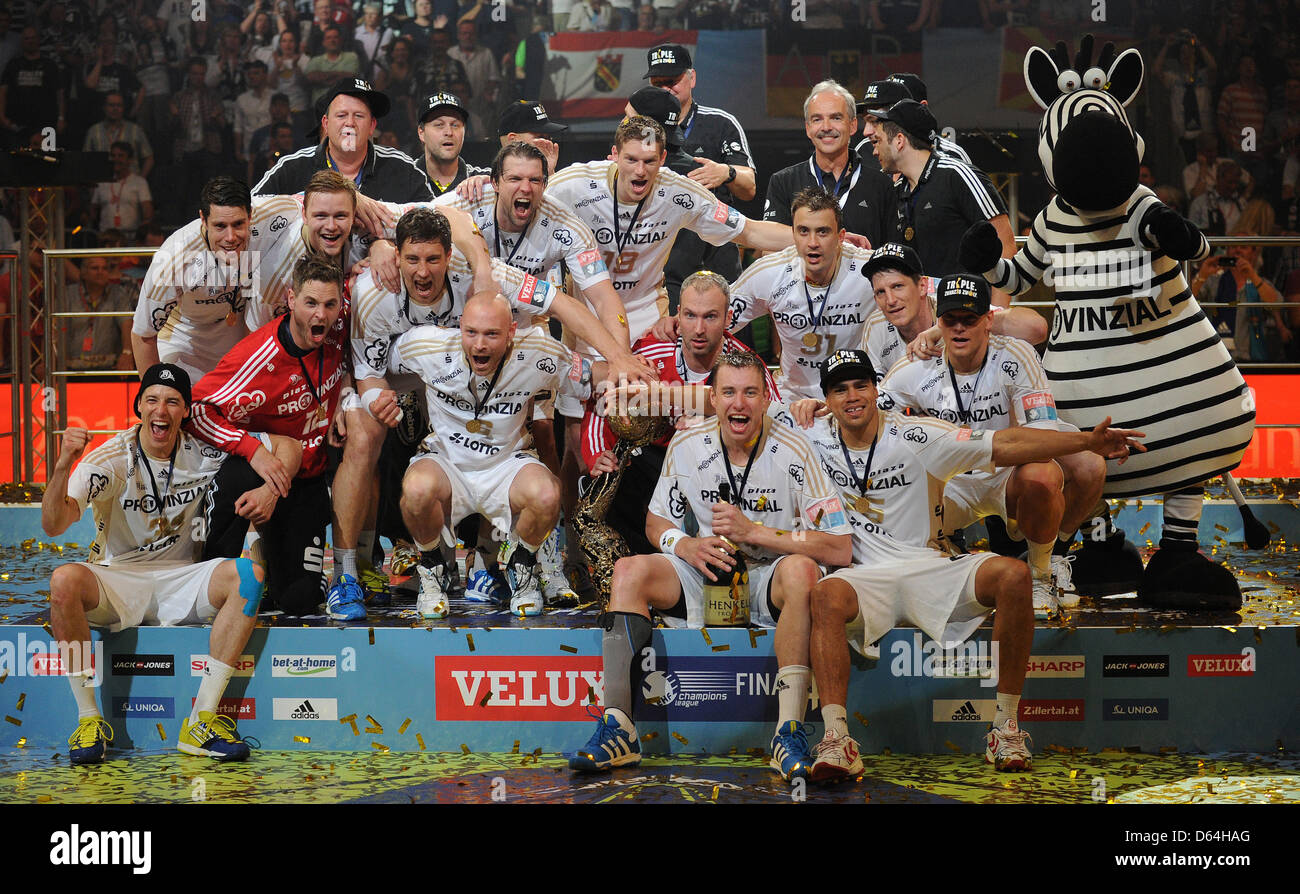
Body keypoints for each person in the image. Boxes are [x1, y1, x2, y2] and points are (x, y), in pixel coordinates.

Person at [789, 350, 1144, 780]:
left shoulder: (918, 435)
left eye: (860, 385)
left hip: (930, 565)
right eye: (839, 389)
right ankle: (837, 738)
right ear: (826, 397)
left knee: (1013, 576)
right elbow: (740, 405)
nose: (852, 396)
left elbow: (1008, 443)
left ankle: (1006, 726)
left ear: (875, 389)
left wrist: (1086, 442)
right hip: (864, 575)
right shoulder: (809, 438)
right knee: (825, 593)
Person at [569, 349, 853, 778]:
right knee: (630, 570)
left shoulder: (796, 448)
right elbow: (654, 521)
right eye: (729, 393)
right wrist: (684, 545)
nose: (739, 404)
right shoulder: (686, 444)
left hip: (768, 575)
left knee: (802, 570)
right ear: (713, 398)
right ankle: (619, 728)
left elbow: (839, 546)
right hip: (704, 571)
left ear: (765, 399)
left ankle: (788, 731)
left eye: (751, 393)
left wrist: (756, 533)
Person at [41, 364, 298, 765]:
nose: (161, 409)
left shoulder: (203, 452)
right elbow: (55, 523)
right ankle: (89, 718)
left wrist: (270, 489)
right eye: (153, 400)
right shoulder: (111, 458)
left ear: (184, 411)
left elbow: (290, 447)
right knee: (63, 581)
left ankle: (200, 721)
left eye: (173, 401)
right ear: (139, 407)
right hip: (119, 578)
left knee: (249, 576)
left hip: (183, 578)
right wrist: (61, 468)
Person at [878, 274, 1105, 617]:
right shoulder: (915, 364)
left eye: (969, 320)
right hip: (948, 484)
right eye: (950, 321)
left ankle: (1042, 572)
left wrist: (992, 449)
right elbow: (872, 420)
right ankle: (939, 562)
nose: (959, 329)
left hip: (1005, 476)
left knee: (1043, 475)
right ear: (938, 322)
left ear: (988, 320)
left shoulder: (1016, 355)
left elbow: (1041, 441)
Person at [387, 292, 573, 618]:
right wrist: (367, 397)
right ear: (460, 327)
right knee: (415, 489)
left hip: (506, 464)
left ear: (512, 331)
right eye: (471, 332)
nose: (480, 345)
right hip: (447, 462)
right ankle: (432, 569)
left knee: (547, 493)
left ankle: (523, 564)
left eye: (491, 334)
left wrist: (630, 372)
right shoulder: (425, 345)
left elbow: (592, 376)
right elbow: (367, 363)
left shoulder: (539, 352)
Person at [190, 256, 349, 619]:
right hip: (258, 471)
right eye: (310, 303)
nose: (320, 316)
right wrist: (252, 450)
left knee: (299, 600)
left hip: (307, 479)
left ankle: (275, 560)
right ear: (291, 300)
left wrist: (349, 395)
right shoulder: (257, 357)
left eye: (329, 304)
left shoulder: (339, 330)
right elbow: (197, 410)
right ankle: (218, 567)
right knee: (217, 597)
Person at [580, 271, 778, 557]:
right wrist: (598, 454)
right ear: (677, 315)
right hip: (656, 464)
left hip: (724, 467)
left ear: (727, 318)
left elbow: (776, 424)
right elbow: (603, 401)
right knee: (609, 480)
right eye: (690, 316)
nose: (698, 329)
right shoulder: (650, 352)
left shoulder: (746, 366)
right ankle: (633, 566)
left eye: (710, 317)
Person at [131, 176, 301, 380]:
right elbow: (143, 335)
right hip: (184, 347)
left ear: (251, 215)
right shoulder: (173, 257)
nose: (230, 237)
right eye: (220, 226)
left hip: (241, 347)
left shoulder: (274, 212)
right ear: (203, 219)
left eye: (238, 224)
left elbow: (320, 198)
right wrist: (152, 390)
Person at [642, 42, 756, 292]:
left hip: (716, 256)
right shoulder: (640, 130)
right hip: (660, 261)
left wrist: (726, 172)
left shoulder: (720, 123)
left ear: (691, 78)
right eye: (657, 83)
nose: (665, 90)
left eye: (672, 81)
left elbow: (749, 189)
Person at [872, 99, 1016, 288]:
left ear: (899, 141)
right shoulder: (899, 190)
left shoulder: (957, 174)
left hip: (967, 312)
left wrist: (997, 311)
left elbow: (1004, 242)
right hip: (924, 311)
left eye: (878, 141)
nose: (874, 151)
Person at [860, 241, 1046, 379]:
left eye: (898, 286)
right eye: (881, 292)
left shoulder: (955, 305)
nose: (890, 300)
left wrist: (943, 328)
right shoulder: (876, 325)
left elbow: (1036, 329)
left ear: (923, 286)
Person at [254, 77, 432, 202]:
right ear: (326, 123)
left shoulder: (401, 168)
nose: (350, 123)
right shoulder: (292, 168)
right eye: (341, 115)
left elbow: (434, 218)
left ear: (372, 126)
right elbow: (252, 210)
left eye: (359, 116)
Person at [765, 80, 895, 247]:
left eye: (836, 117)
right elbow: (769, 251)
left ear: (853, 125)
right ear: (808, 128)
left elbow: (893, 254)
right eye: (817, 119)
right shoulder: (783, 182)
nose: (826, 127)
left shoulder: (881, 185)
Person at [63, 256, 135, 372]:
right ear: (83, 273)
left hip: (108, 365)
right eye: (95, 268)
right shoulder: (67, 294)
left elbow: (127, 323)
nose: (100, 272)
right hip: (72, 366)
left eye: (104, 268)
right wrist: (54, 358)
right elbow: (54, 328)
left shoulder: (118, 293)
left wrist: (127, 353)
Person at [414, 92, 488, 196]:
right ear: (421, 132)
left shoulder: (484, 182)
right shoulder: (403, 180)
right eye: (439, 125)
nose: (449, 132)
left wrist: (491, 184)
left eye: (455, 125)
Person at [82, 92, 155, 178]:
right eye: (111, 105)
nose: (115, 108)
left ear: (123, 108)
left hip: (130, 185)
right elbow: (85, 160)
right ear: (104, 108)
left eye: (119, 105)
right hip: (103, 184)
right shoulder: (94, 131)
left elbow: (149, 158)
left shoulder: (135, 130)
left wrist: (140, 181)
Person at [90, 142, 154, 237]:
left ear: (130, 160)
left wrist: (141, 234)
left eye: (121, 156)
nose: (116, 159)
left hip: (130, 239)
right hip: (105, 239)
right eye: (113, 155)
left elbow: (147, 212)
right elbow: (93, 211)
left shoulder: (139, 182)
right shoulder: (102, 182)